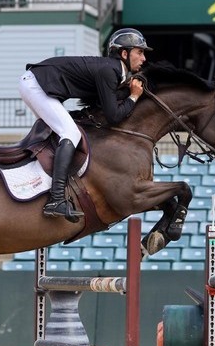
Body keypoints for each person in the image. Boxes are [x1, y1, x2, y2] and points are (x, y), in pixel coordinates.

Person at [18, 28, 151, 222]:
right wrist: (134, 96)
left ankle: (41, 186)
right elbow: (113, 116)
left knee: (61, 133)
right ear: (124, 53)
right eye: (140, 52)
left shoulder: (113, 70)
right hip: (36, 85)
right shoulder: (110, 70)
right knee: (70, 133)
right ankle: (56, 199)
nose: (144, 58)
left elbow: (107, 102)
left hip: (35, 83)